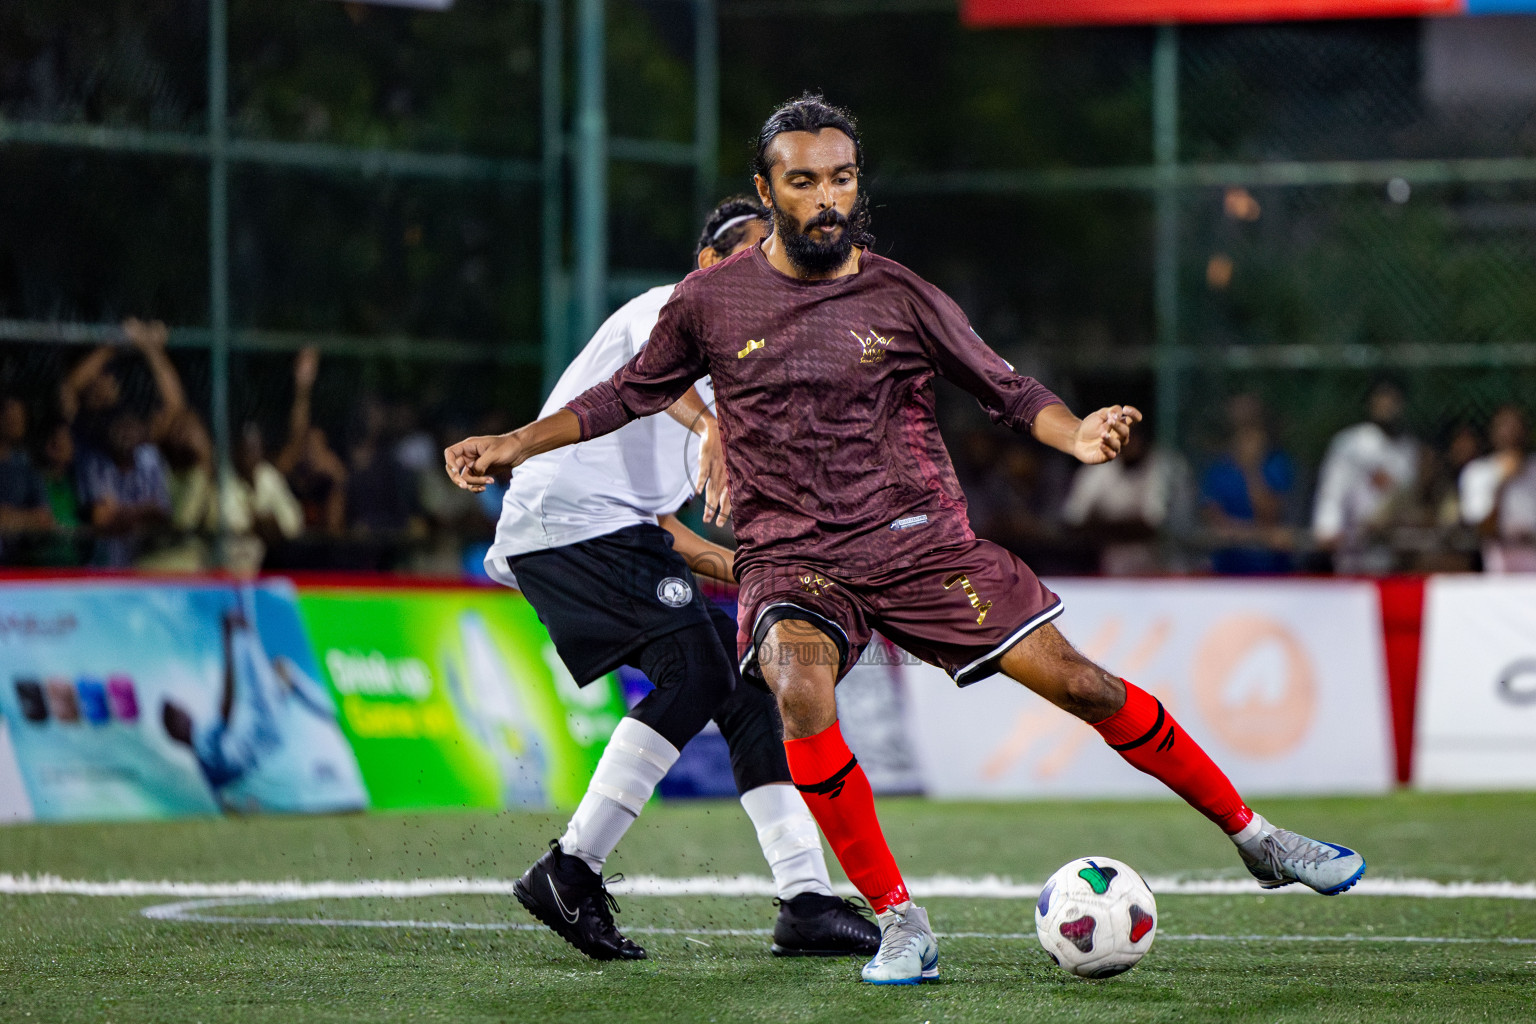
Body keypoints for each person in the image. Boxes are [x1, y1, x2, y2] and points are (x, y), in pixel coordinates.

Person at [446, 96, 1365, 986]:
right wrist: (514, 443)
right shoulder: (710, 302)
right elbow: (625, 395)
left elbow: (1006, 389)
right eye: (803, 182)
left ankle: (1258, 839)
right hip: (794, 560)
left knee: (1083, 683)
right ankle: (898, 920)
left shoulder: (902, 295)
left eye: (841, 178)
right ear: (767, 193)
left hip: (921, 546)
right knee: (796, 689)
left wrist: (1076, 432)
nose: (826, 199)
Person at [472, 196, 877, 963]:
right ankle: (570, 869)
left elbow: (660, 523)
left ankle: (806, 899)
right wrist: (710, 425)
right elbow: (650, 381)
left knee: (747, 690)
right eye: (745, 253)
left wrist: (742, 562)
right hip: (564, 521)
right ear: (705, 266)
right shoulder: (665, 310)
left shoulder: (753, 376)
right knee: (694, 670)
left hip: (609, 530)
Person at [1311, 380, 1419, 574]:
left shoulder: (1409, 449)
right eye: (1381, 399)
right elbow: (1332, 489)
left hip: (1395, 547)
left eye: (1392, 400)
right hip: (1354, 542)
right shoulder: (1352, 442)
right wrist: (1328, 526)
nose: (1387, 406)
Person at [1062, 427, 1191, 576]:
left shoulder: (1164, 467)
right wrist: (1118, 527)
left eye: (1133, 437)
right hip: (1111, 566)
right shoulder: (1099, 467)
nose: (1128, 444)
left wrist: (1101, 524)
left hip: (1162, 566)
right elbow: (1073, 522)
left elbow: (1150, 526)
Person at [1199, 394, 1297, 575]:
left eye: (1251, 429)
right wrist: (1260, 535)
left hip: (1272, 571)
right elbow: (1214, 521)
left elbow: (1271, 515)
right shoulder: (1219, 469)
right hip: (1227, 571)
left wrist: (1252, 470)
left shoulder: (1276, 465)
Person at [1459, 404, 1536, 572]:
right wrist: (1502, 482)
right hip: (1498, 559)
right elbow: (1480, 528)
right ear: (1493, 433)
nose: (1512, 434)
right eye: (1505, 427)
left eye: (1517, 427)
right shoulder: (1477, 472)